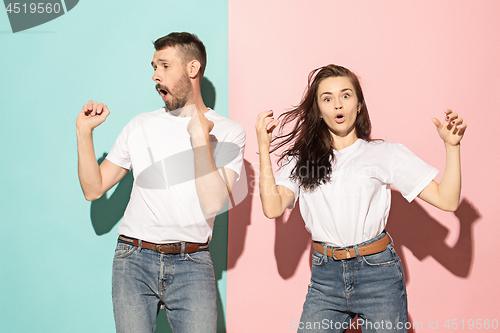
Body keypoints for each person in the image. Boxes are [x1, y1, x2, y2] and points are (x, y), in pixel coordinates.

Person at [255, 64, 466, 333]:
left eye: (345, 95)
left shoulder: (384, 154)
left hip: (378, 274)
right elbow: (272, 208)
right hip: (325, 277)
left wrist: (452, 147)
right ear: (318, 112)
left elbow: (447, 200)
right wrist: (263, 147)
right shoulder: (303, 161)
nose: (337, 105)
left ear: (358, 104)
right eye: (327, 99)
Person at [76, 32, 245, 333]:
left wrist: (198, 136)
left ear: (192, 69)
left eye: (164, 66)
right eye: (154, 66)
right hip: (133, 261)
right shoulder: (140, 125)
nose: (156, 76)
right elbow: (94, 188)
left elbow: (212, 203)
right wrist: (84, 133)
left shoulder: (230, 133)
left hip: (193, 263)